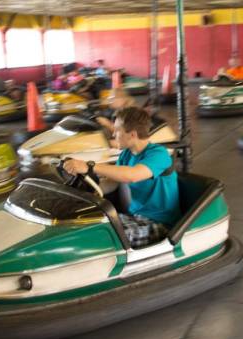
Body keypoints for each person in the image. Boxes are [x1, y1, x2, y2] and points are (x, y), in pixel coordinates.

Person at [63, 106, 180, 248]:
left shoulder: (158, 154)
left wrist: (90, 166)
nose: (113, 135)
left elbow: (132, 175)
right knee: (86, 226)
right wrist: (84, 192)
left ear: (132, 134)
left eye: (117, 130)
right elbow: (111, 183)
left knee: (103, 239)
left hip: (158, 223)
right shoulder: (127, 154)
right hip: (134, 218)